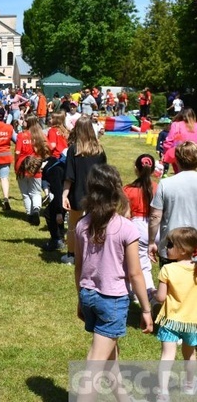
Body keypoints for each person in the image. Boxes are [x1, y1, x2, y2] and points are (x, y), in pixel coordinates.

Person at [73, 164, 153, 402]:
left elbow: (79, 267)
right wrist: (147, 310)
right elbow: (135, 274)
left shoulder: (81, 225)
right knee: (95, 363)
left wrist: (80, 297)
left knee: (110, 355)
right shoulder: (126, 227)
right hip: (112, 301)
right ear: (117, 190)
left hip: (88, 295)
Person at [153, 227, 197, 401]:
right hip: (192, 321)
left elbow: (161, 297)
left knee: (167, 355)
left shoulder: (167, 270)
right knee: (190, 354)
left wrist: (153, 294)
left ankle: (163, 392)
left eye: (170, 245)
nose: (167, 247)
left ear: (183, 250)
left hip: (170, 320)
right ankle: (189, 385)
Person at [61, 116, 107, 265]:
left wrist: (64, 194)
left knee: (73, 225)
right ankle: (92, 255)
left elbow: (69, 175)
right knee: (94, 225)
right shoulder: (99, 150)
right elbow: (104, 174)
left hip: (77, 192)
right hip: (96, 192)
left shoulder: (73, 150)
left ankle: (71, 255)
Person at [148, 141, 197, 268]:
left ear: (177, 160)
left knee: (169, 285)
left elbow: (155, 216)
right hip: (194, 247)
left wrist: (152, 241)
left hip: (171, 247)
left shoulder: (166, 183)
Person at [122, 154, 157, 300]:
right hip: (156, 226)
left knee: (140, 264)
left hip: (137, 226)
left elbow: (125, 214)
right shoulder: (157, 187)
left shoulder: (128, 189)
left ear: (136, 169)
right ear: (153, 170)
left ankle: (148, 294)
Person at [15, 115, 49, 225]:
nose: (23, 121)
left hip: (22, 165)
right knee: (36, 191)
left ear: (28, 122)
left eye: (24, 120)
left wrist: (16, 163)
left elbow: (17, 152)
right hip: (36, 166)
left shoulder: (21, 135)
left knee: (25, 192)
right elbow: (47, 150)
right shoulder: (41, 136)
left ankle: (29, 214)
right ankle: (36, 210)